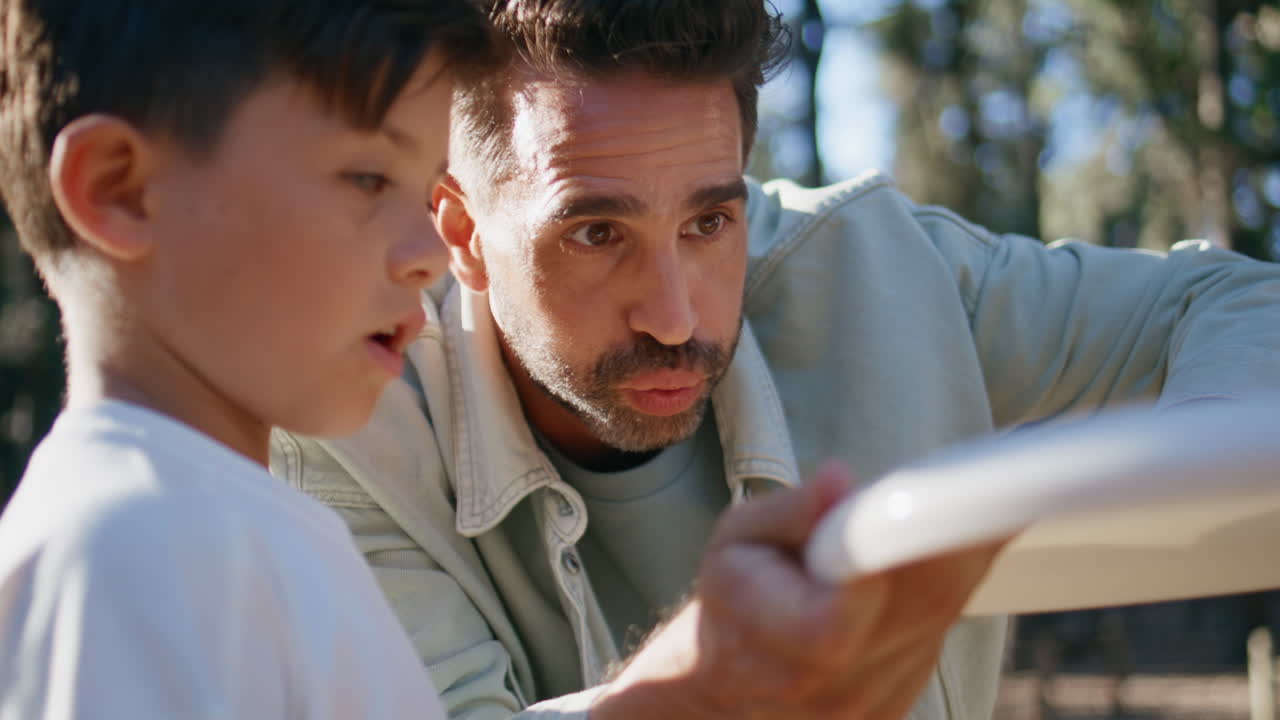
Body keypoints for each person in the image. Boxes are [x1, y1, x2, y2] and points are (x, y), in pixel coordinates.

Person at [270, 0, 1280, 718]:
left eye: (710, 222)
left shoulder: (882, 273)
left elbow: (1232, 298)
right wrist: (696, 696)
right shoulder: (347, 431)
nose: (675, 317)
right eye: (595, 234)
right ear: (461, 232)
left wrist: (1180, 465)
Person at [0, 1, 491, 717]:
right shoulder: (133, 546)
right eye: (367, 179)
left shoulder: (216, 529)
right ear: (119, 189)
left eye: (428, 192)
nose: (432, 255)